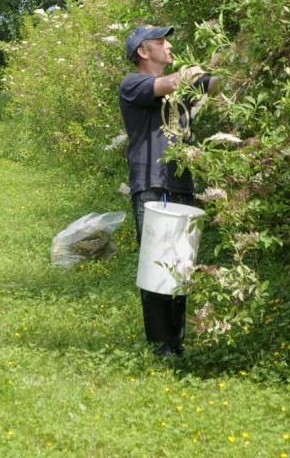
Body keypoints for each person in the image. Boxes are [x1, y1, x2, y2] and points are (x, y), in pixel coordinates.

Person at [118, 24, 216, 356]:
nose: (169, 45)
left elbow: (217, 84)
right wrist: (195, 70)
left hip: (182, 186)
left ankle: (178, 345)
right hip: (152, 186)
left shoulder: (182, 86)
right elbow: (172, 82)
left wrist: (237, 64)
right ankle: (161, 348)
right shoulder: (133, 84)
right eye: (161, 41)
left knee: (181, 269)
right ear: (143, 52)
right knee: (157, 269)